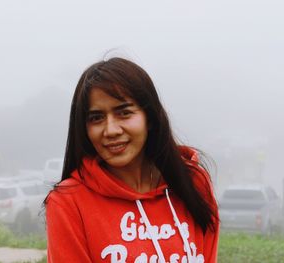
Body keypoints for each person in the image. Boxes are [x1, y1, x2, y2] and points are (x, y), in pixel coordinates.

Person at [45, 57, 219, 263]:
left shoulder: (193, 183)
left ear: (150, 118)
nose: (110, 130)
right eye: (96, 118)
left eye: (124, 113)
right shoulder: (68, 202)